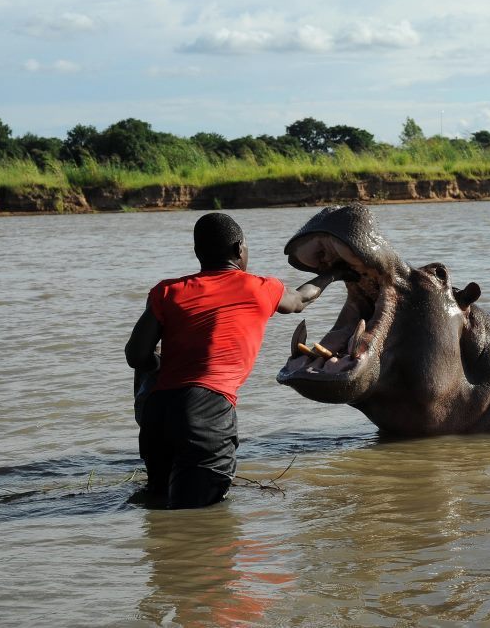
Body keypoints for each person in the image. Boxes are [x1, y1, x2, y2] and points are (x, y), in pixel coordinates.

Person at [125, 212, 339, 508]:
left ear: (198, 253)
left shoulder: (167, 291)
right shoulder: (258, 287)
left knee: (160, 504)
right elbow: (302, 298)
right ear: (240, 249)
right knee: (199, 517)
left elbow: (136, 356)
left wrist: (158, 366)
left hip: (157, 414)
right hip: (206, 411)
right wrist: (332, 275)